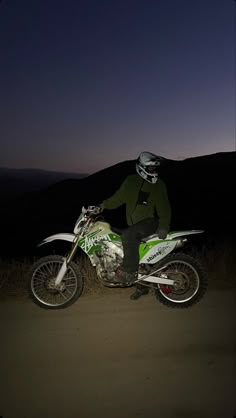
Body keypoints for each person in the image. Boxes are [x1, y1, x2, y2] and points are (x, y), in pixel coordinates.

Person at [100, 151, 171, 300]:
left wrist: (164, 226)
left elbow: (164, 207)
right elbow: (117, 199)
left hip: (150, 223)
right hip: (135, 226)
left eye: (155, 168)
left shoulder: (159, 184)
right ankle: (142, 287)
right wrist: (102, 206)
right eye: (151, 168)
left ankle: (128, 273)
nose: (154, 171)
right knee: (127, 245)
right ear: (142, 167)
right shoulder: (130, 181)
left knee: (128, 235)